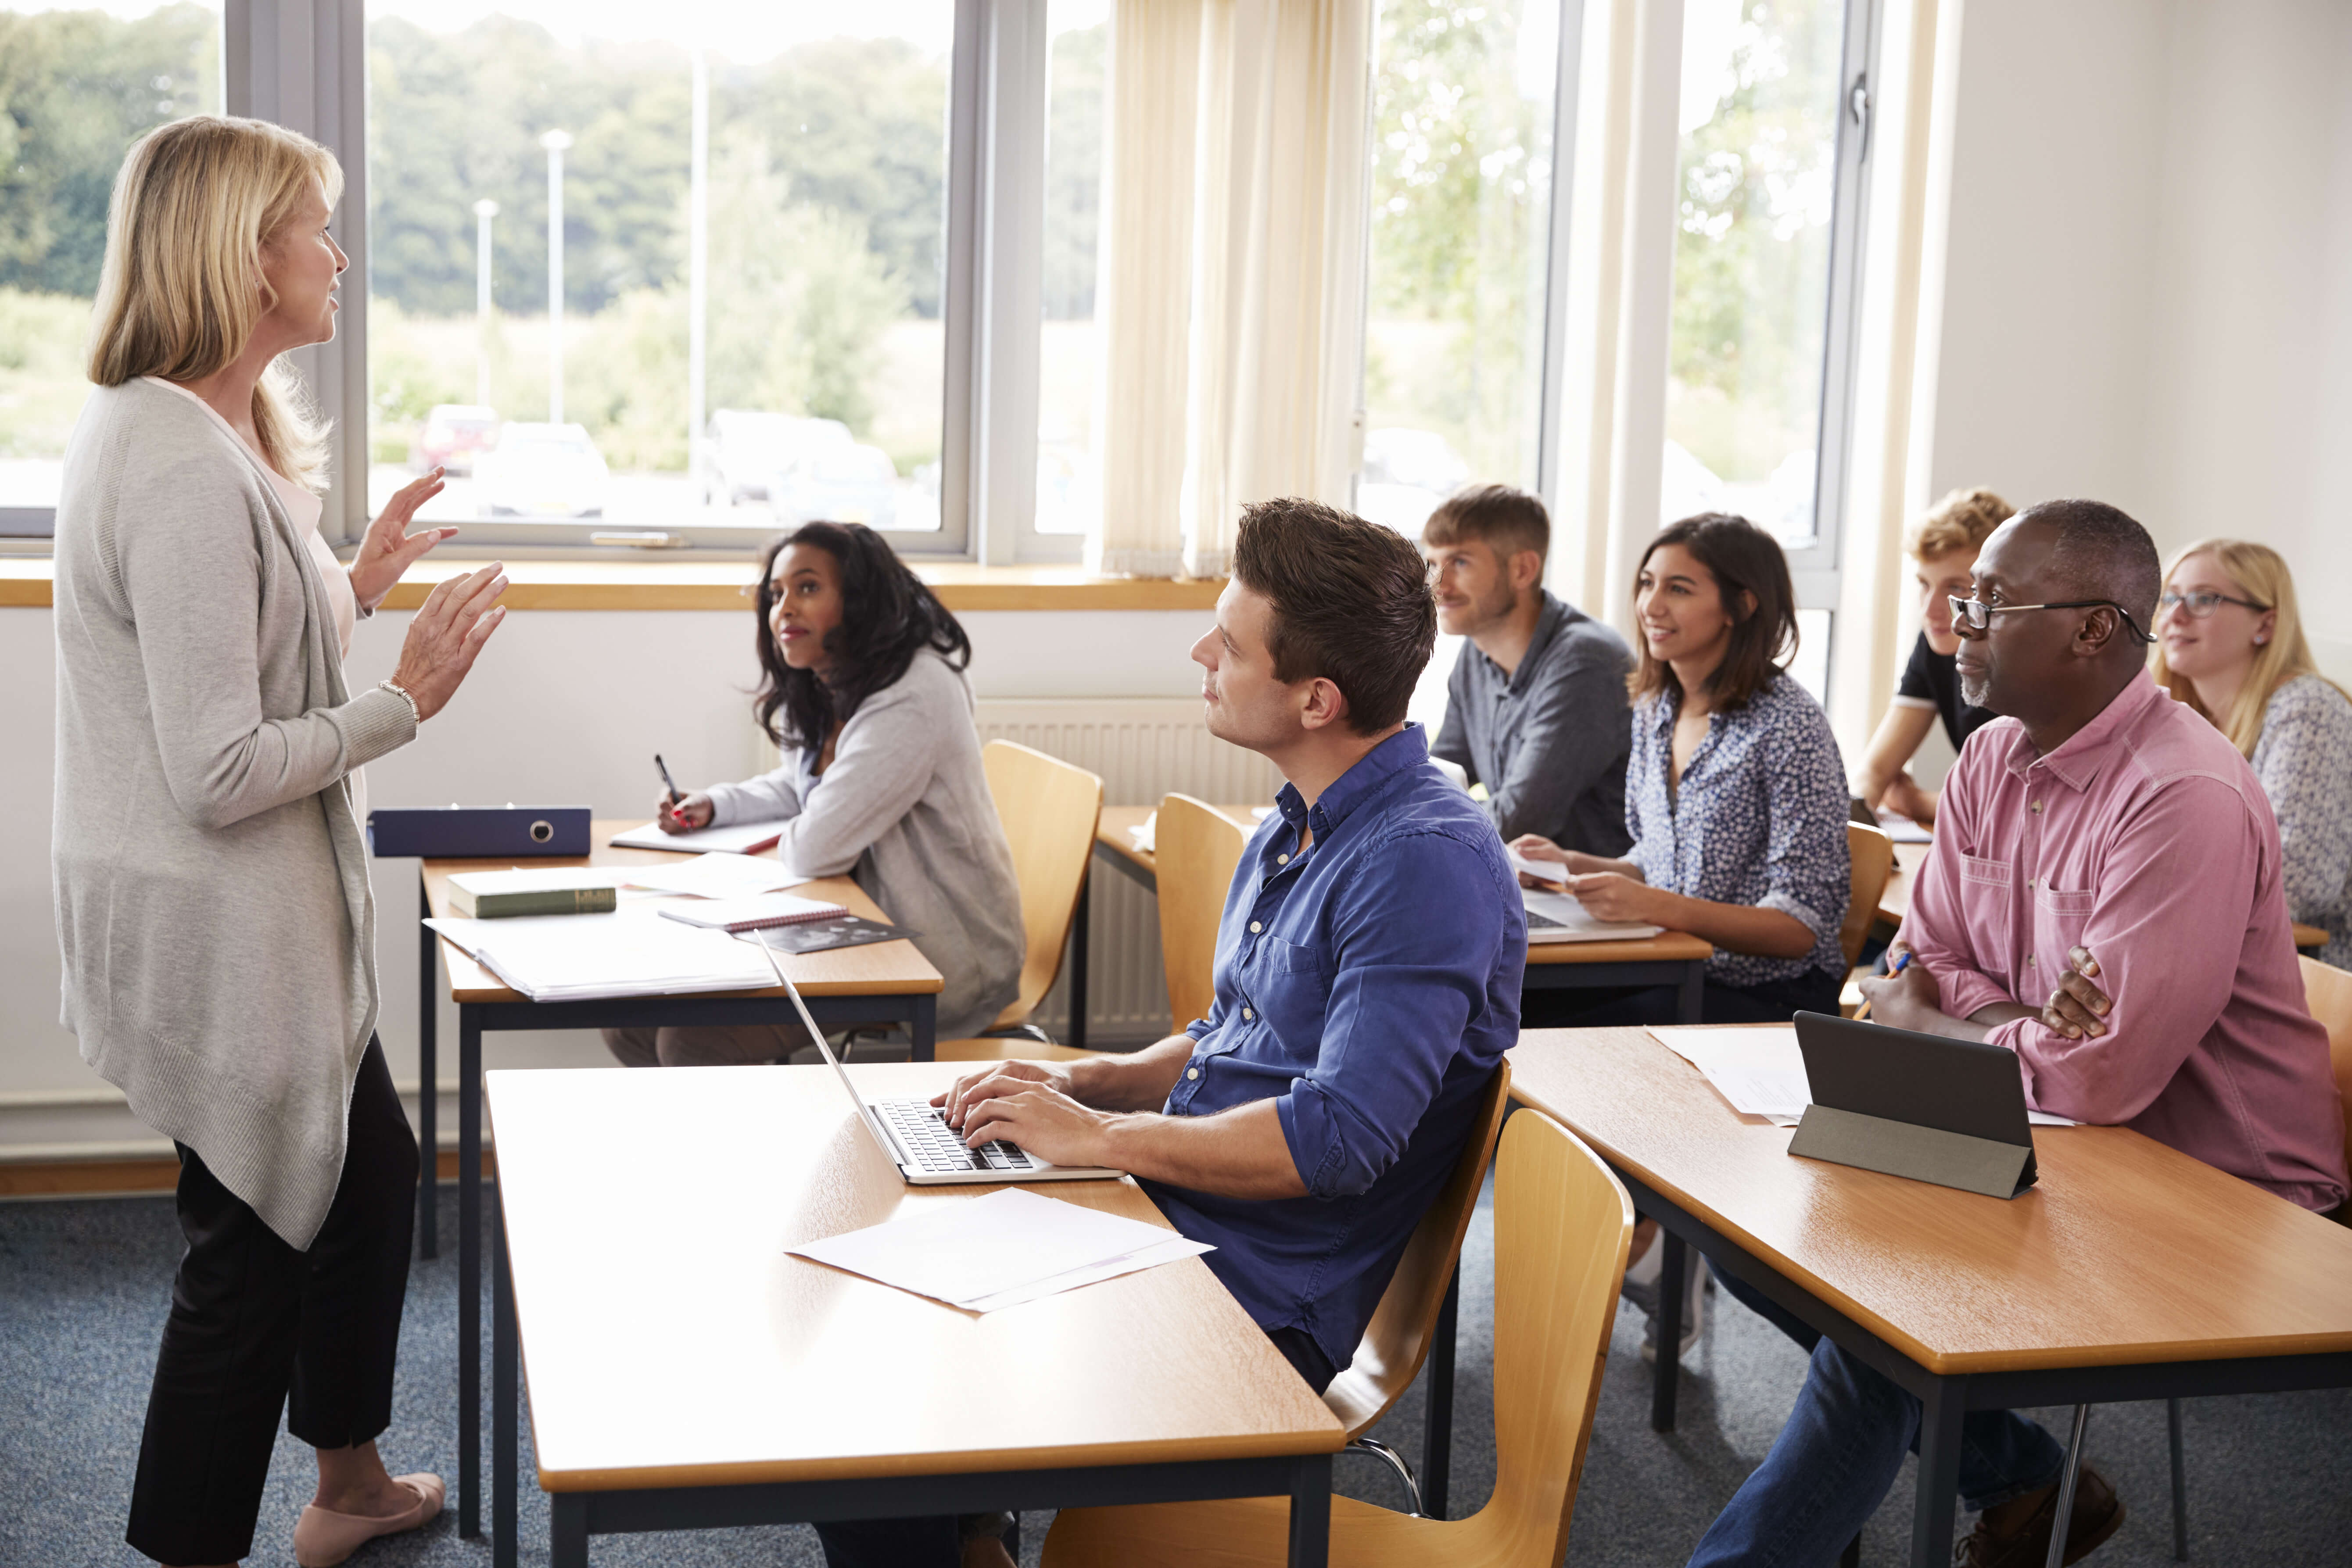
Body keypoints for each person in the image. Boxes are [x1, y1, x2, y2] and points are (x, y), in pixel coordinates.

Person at [812, 497, 1526, 1568]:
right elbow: (1232, 1032)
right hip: (1168, 1217)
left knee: (871, 1413)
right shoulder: (1295, 821)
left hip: (1252, 1295)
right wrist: (1089, 1085)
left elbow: (1337, 1137)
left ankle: (958, 1527)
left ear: (1316, 697)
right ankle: (969, 1533)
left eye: (1229, 644)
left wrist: (1098, 1143)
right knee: (872, 1287)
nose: (1201, 651)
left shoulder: (1422, 861)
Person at [1685, 501, 2348, 1568]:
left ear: (2092, 629)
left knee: (1887, 1305)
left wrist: (1955, 1017)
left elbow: (2098, 1075)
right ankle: (2029, 1478)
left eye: (1988, 601)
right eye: (1958, 597)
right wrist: (1998, 1014)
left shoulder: (2180, 795)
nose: (1956, 622)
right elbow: (1923, 964)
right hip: (2046, 1133)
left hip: (2214, 1188)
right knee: (1753, 1235)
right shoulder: (1990, 757)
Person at [53, 116, 510, 1568]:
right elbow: (219, 764)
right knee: (251, 1249)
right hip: (215, 918)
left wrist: (351, 577)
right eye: (319, 226)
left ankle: (353, 1481)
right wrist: (402, 704)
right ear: (249, 254)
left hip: (238, 916)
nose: (340, 254)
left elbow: (238, 654)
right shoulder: (180, 462)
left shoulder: (193, 428)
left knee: (366, 1176)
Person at [610, 521, 1023, 1064]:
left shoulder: (913, 694)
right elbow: (807, 786)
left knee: (693, 1039)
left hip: (936, 954)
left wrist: (804, 821)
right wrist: (717, 804)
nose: (784, 609)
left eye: (807, 588)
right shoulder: (838, 678)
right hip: (860, 928)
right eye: (775, 594)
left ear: (860, 599)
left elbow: (815, 846)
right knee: (630, 1025)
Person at [1513, 513, 1852, 1026]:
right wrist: (1569, 864)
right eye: (1647, 584)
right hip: (1674, 970)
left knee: (1529, 1020)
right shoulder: (1655, 709)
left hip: (1766, 997)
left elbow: (1797, 927)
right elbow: (1656, 862)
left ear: (1740, 606)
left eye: (1679, 589)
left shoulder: (1789, 726)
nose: (1651, 605)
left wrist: (1655, 906)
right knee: (1495, 1002)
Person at [2151, 538, 2352, 967]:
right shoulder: (2177, 720)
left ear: (2264, 623)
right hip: (2219, 951)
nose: (2174, 614)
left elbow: (2299, 880)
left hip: (2314, 973)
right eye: (2168, 597)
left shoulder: (2306, 708)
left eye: (2203, 598)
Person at [1422, 483, 1634, 854]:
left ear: (1523, 570)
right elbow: (1437, 778)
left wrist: (1410, 825)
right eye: (1433, 564)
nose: (1438, 585)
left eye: (1459, 562)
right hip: (1525, 885)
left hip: (1582, 902)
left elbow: (1516, 822)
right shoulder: (1476, 651)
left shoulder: (1586, 662)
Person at [1852, 487, 2011, 824]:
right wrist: (1854, 815)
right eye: (1924, 584)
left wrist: (1916, 803)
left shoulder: (2029, 661)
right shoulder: (1935, 643)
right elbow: (1876, 770)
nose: (1931, 610)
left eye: (1956, 588)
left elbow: (2011, 808)